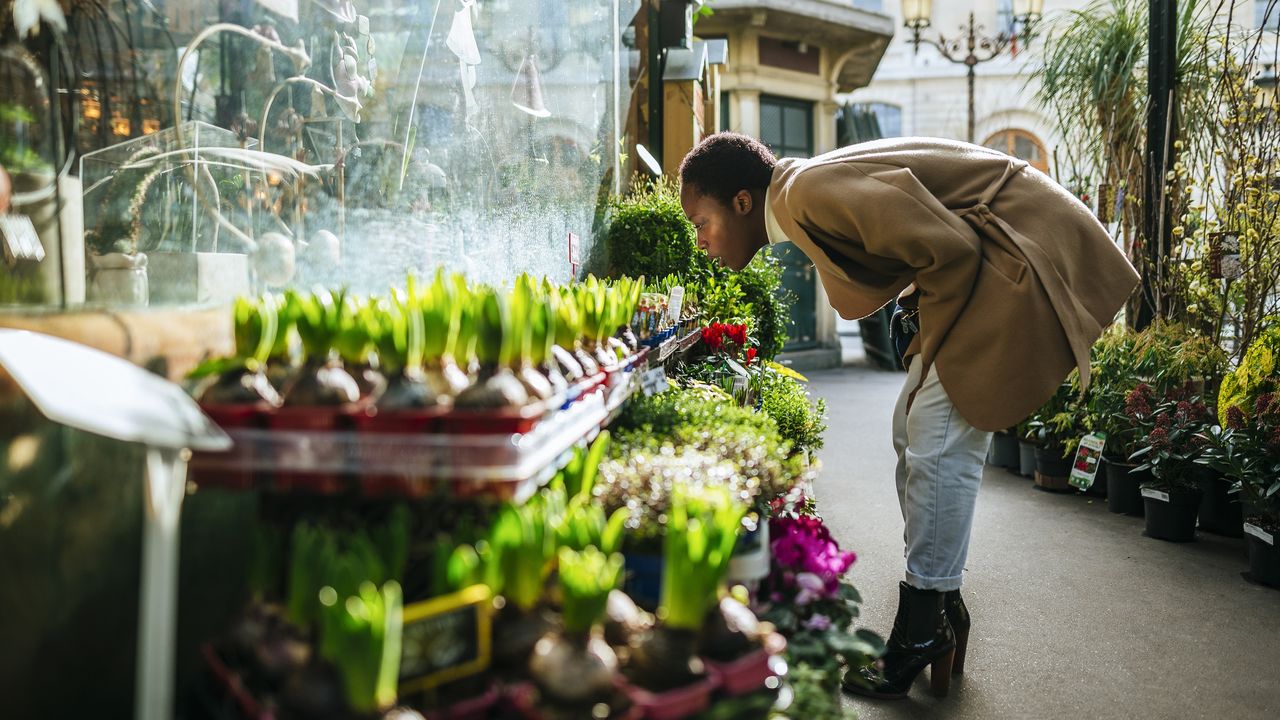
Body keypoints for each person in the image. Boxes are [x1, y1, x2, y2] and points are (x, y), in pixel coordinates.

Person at [677, 132, 1138, 700]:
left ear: (742, 202)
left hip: (1018, 249)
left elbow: (952, 250)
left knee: (938, 441)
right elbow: (927, 236)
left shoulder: (806, 194)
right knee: (915, 434)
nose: (701, 242)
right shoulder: (802, 190)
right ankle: (940, 608)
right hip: (1003, 248)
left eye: (700, 223)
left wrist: (923, 322)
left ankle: (922, 629)